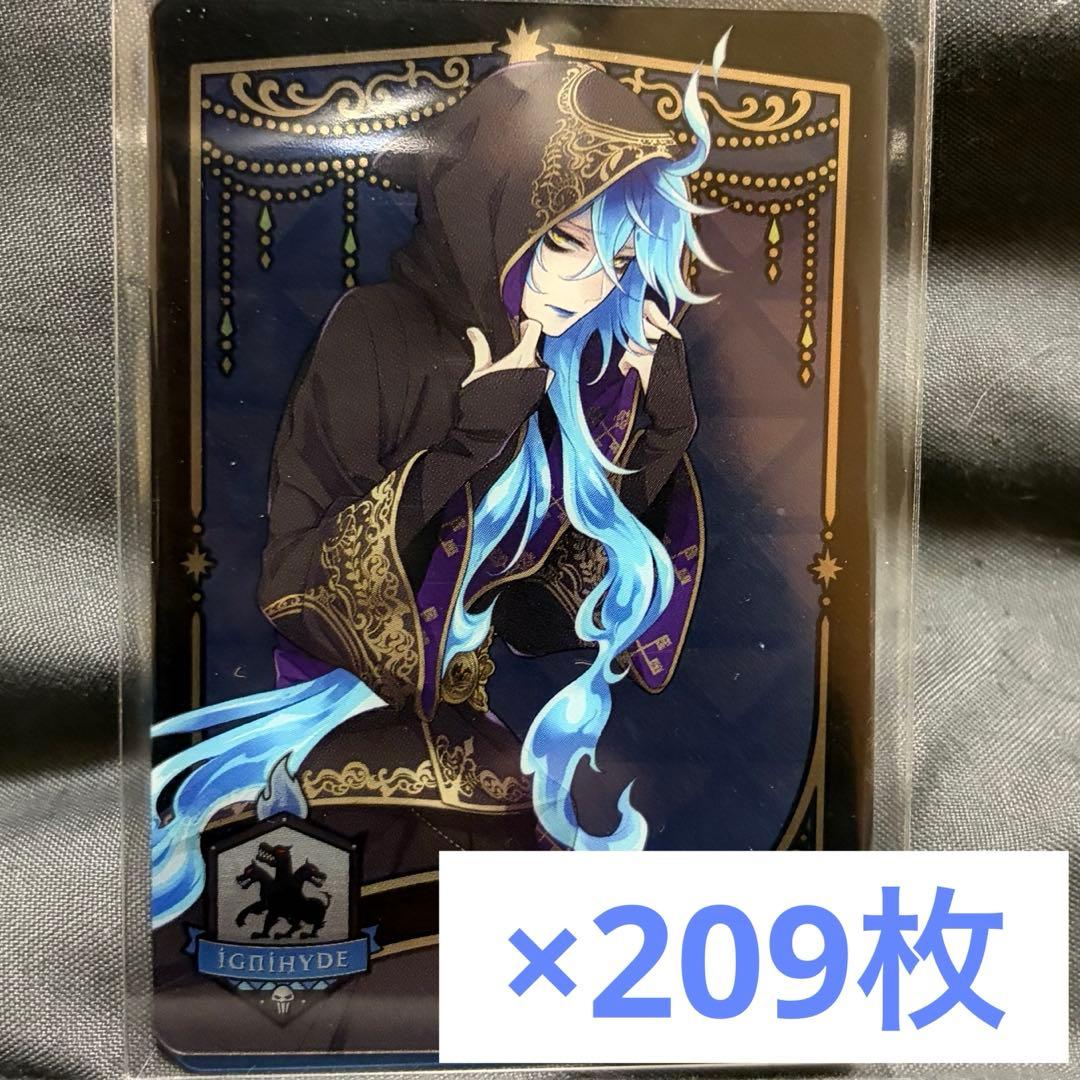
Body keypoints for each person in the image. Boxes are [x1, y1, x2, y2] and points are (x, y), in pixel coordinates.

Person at [151, 57, 716, 929]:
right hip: (342, 741)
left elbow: (542, 615)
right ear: (486, 211)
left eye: (623, 258)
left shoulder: (562, 371)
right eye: (568, 244)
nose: (598, 283)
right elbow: (297, 579)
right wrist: (466, 444)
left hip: (477, 749)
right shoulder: (379, 332)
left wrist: (658, 437)